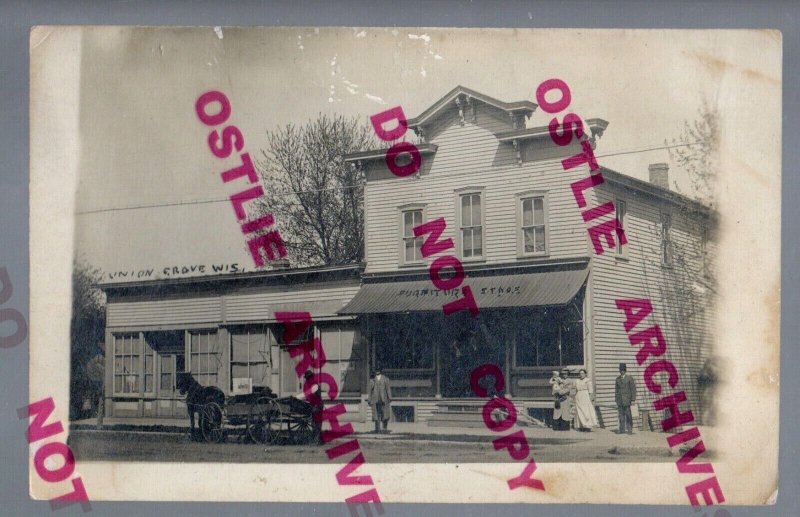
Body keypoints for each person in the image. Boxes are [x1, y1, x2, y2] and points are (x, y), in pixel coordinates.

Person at [615, 363, 637, 434]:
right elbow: (616, 390)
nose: (622, 371)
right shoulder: (617, 379)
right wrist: (616, 399)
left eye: (623, 370)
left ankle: (629, 429)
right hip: (620, 400)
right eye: (621, 370)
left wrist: (633, 399)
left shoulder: (629, 378)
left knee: (628, 415)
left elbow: (633, 389)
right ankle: (622, 429)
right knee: (621, 415)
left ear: (625, 370)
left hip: (627, 400)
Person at [368, 369, 392, 433]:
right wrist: (369, 399)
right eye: (376, 370)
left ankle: (384, 429)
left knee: (385, 414)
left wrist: (390, 397)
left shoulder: (385, 379)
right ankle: (377, 429)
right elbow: (370, 391)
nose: (377, 371)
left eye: (378, 370)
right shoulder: (372, 380)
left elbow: (388, 389)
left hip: (384, 399)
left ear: (381, 371)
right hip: (375, 400)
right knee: (376, 415)